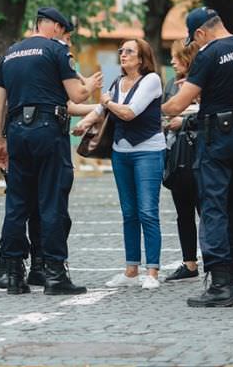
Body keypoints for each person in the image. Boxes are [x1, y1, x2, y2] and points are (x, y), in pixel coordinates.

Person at [162, 7, 233, 307]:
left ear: (200, 33)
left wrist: (163, 105)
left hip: (218, 137)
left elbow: (176, 106)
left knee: (213, 205)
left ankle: (219, 284)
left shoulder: (208, 54)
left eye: (193, 41)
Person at [0, 7, 99, 295]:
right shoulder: (56, 51)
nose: (63, 36)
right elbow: (77, 95)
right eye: (63, 30)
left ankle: (13, 273)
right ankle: (54, 273)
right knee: (51, 201)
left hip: (16, 131)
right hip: (48, 130)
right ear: (52, 26)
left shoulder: (10, 53)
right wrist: (90, 84)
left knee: (17, 203)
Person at [74, 38, 165, 290]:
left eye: (129, 51)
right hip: (121, 152)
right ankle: (131, 269)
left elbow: (129, 112)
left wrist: (106, 102)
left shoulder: (151, 80)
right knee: (129, 212)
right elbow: (103, 113)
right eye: (121, 51)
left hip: (148, 151)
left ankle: (153, 271)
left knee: (147, 211)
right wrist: (85, 122)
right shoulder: (117, 83)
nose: (122, 55)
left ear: (142, 58)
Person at [162, 40, 202, 282]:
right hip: (176, 154)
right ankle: (189, 263)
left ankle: (216, 260)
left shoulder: (203, 84)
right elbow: (165, 113)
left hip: (200, 153)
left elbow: (209, 114)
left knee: (206, 210)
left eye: (176, 57)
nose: (173, 62)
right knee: (183, 211)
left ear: (188, 58)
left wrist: (184, 121)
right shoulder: (170, 85)